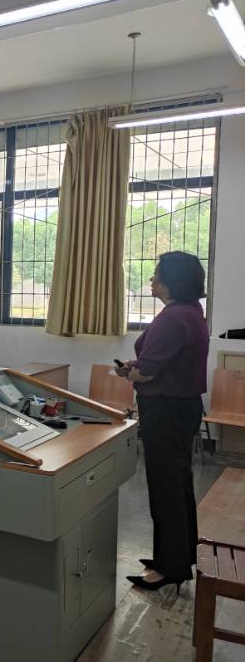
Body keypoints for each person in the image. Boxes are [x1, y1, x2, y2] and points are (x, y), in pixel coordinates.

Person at [117, 252, 210, 592]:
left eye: (156, 274)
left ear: (173, 280)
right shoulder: (191, 312)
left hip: (166, 411)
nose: (152, 280)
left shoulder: (174, 317)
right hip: (182, 408)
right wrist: (139, 366)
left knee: (165, 488)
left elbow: (147, 372)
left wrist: (130, 372)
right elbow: (161, 360)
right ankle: (179, 554)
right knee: (178, 484)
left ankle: (169, 567)